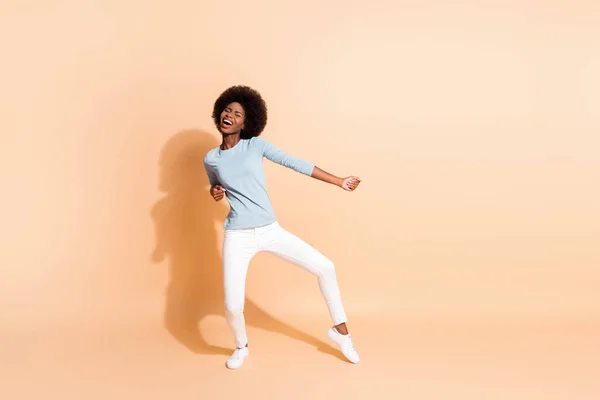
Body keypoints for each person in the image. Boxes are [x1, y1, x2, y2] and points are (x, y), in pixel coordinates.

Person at [203, 85, 361, 369]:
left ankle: (340, 332)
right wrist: (215, 192)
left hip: (269, 230)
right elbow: (216, 185)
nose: (230, 115)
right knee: (232, 306)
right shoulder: (211, 158)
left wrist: (338, 180)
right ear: (219, 115)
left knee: (325, 267)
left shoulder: (256, 146)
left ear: (246, 122)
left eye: (237, 114)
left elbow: (294, 163)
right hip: (237, 235)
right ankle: (241, 347)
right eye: (227, 110)